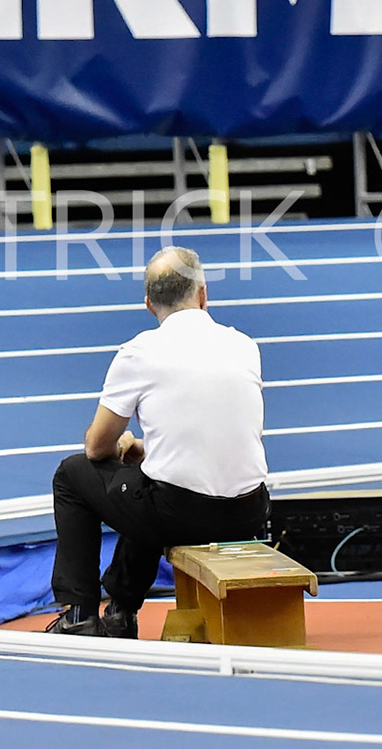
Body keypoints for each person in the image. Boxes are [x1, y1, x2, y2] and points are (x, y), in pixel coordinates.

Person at [46, 246, 271, 637]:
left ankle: (80, 613)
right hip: (249, 512)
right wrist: (146, 455)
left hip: (180, 514)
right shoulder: (245, 345)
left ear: (149, 304)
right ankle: (118, 611)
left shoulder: (139, 353)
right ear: (203, 294)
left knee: (73, 476)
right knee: (144, 479)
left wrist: (125, 446)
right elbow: (212, 433)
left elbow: (96, 448)